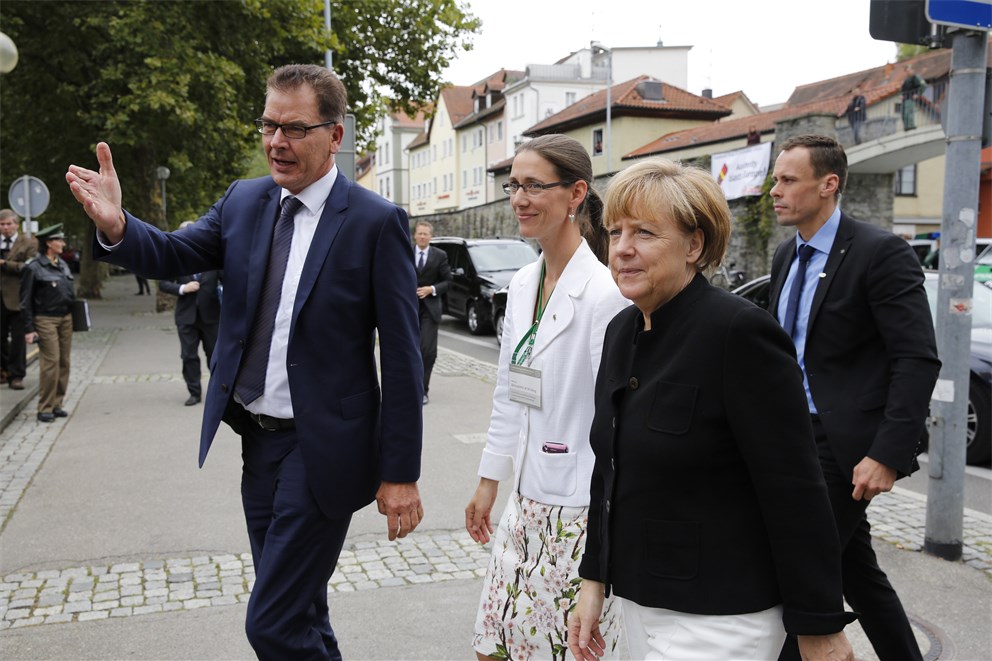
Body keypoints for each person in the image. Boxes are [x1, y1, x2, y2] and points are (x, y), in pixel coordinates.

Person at [66, 64, 425, 660]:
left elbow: (405, 358)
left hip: (325, 449)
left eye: (294, 128)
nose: (276, 142)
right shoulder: (245, 199)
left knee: (272, 623)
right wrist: (118, 226)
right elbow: (177, 252)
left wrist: (401, 472)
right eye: (268, 124)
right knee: (301, 609)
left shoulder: (373, 222)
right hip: (257, 443)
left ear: (335, 136)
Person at [569, 157, 856, 661]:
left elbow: (794, 488)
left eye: (645, 233)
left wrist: (818, 626)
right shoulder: (622, 331)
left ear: (694, 245)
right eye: (615, 233)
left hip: (721, 616)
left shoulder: (738, 334)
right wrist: (593, 580)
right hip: (636, 602)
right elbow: (608, 471)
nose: (623, 249)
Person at [767, 135, 940, 661]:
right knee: (853, 572)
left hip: (842, 447)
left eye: (787, 180)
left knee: (799, 572)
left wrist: (886, 453)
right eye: (775, 179)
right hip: (790, 436)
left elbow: (917, 358)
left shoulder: (880, 252)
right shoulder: (784, 255)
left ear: (829, 183)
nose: (775, 191)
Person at [465, 134, 629, 661]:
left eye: (535, 186)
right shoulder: (521, 283)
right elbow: (510, 391)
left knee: (560, 651)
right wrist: (489, 480)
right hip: (524, 502)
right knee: (495, 647)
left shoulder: (605, 296)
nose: (519, 199)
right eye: (515, 185)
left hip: (578, 512)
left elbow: (614, 425)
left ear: (576, 193)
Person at [159, 222, 222, 407]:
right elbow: (163, 283)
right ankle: (194, 392)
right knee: (188, 356)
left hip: (211, 316)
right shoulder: (175, 258)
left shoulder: (213, 257)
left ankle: (218, 393)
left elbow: (229, 278)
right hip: (186, 317)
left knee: (215, 356)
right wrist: (182, 288)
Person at [20, 224, 76, 423]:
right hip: (45, 319)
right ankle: (45, 407)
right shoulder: (33, 267)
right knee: (50, 362)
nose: (63, 243)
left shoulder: (62, 264)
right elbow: (25, 300)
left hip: (65, 318)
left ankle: (57, 403)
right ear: (48, 243)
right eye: (59, 240)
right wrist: (28, 328)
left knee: (64, 362)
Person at [412, 220, 451, 405]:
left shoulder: (440, 255)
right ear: (414, 235)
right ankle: (408, 388)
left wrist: (431, 289)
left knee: (427, 351)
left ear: (430, 236)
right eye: (419, 233)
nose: (422, 236)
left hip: (430, 310)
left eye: (425, 234)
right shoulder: (405, 252)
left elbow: (448, 282)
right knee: (408, 351)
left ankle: (422, 390)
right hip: (408, 309)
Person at [0, 208, 38, 390]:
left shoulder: (28, 243)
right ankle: (3, 371)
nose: (6, 228)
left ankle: (16, 375)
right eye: (2, 224)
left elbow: (30, 267)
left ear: (16, 225)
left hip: (18, 298)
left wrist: (6, 264)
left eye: (9, 224)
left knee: (18, 339)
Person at [900, 66, 926, 131]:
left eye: (909, 70)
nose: (908, 72)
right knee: (903, 114)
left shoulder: (916, 77)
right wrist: (901, 95)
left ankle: (911, 126)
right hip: (904, 99)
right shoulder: (906, 80)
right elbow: (903, 90)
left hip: (910, 98)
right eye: (906, 71)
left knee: (908, 112)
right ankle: (906, 127)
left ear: (912, 70)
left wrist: (918, 94)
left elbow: (923, 85)